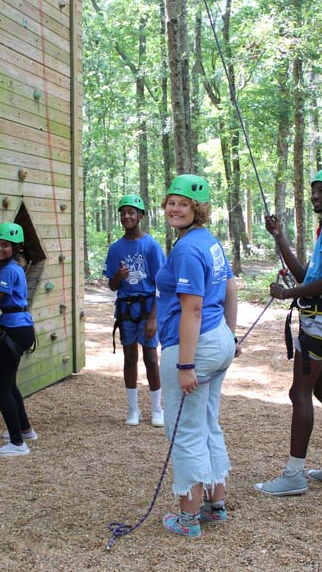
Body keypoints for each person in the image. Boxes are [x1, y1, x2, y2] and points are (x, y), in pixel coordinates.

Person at [254, 167, 322, 497]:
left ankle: (294, 474)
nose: (315, 195)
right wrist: (279, 237)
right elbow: (306, 276)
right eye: (314, 190)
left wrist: (286, 294)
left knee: (299, 392)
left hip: (320, 322)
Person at [155, 175, 239, 539]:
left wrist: (185, 364)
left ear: (197, 209)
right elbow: (231, 286)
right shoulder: (208, 242)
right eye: (172, 202)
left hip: (193, 344)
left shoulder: (187, 249)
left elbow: (191, 308)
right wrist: (232, 337)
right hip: (217, 339)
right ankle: (214, 505)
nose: (175, 208)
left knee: (184, 428)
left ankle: (188, 518)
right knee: (207, 421)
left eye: (184, 204)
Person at [103, 195, 166, 426]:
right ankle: (133, 409)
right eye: (123, 212)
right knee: (129, 358)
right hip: (126, 308)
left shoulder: (151, 246)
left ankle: (157, 409)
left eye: (131, 212)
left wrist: (153, 318)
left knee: (151, 357)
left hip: (148, 305)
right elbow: (112, 285)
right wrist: (117, 277)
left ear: (140, 215)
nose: (127, 216)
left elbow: (161, 284)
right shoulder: (116, 249)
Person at [0, 222, 37, 458]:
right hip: (17, 329)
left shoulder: (10, 271)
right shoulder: (9, 269)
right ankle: (24, 430)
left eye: (5, 245)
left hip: (12, 331)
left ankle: (17, 443)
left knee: (1, 388)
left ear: (16, 248)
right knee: (9, 384)